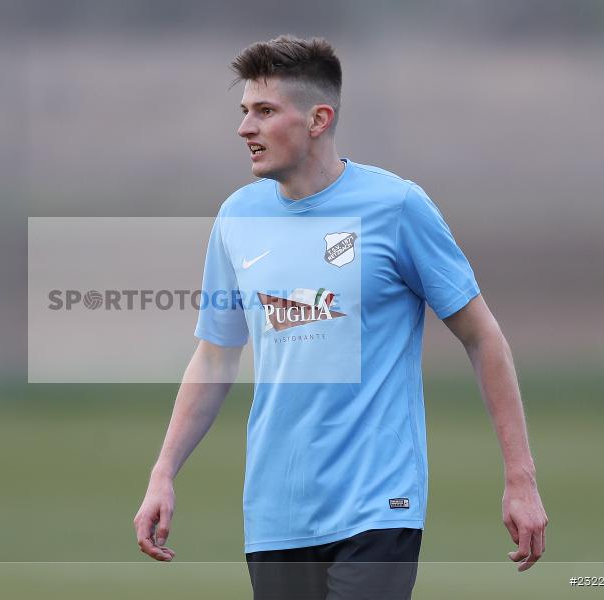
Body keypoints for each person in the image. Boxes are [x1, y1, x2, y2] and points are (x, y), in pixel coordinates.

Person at [133, 34, 548, 599]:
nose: (244, 128)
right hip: (275, 513)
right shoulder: (237, 217)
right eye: (243, 111)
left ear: (318, 118)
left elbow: (483, 337)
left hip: (379, 505)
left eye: (264, 111)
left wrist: (520, 479)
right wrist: (163, 472)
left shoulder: (397, 207)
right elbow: (214, 356)